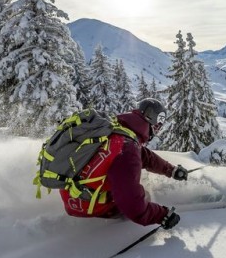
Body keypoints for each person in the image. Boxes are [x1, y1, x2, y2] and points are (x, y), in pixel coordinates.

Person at [58, 98, 188, 229]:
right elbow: (132, 204)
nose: (158, 128)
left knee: (129, 187)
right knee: (143, 197)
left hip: (73, 197)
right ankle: (118, 232)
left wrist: (171, 170)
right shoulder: (127, 149)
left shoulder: (114, 132)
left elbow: (145, 156)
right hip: (89, 206)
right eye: (159, 122)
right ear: (151, 119)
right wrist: (162, 215)